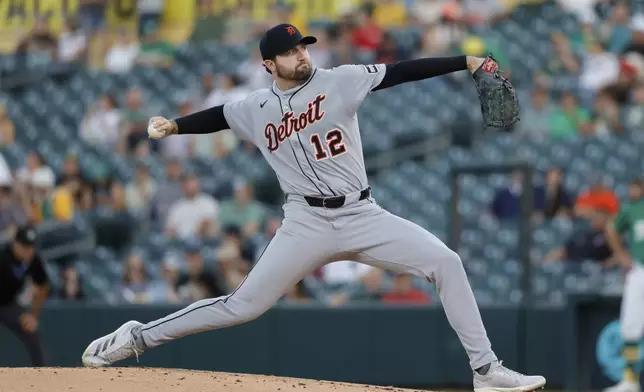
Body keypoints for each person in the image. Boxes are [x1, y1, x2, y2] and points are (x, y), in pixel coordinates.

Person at [81, 24, 546, 392]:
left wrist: (465, 60)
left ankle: (485, 370)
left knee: (446, 262)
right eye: (289, 51)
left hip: (363, 215)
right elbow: (218, 116)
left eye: (303, 47)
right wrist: (175, 126)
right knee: (242, 306)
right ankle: (136, 337)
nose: (301, 55)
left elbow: (402, 70)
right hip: (305, 221)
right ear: (269, 63)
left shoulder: (341, 80)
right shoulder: (256, 106)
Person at [604, 179, 644, 392]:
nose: (632, 190)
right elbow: (611, 228)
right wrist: (621, 255)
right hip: (640, 270)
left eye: (636, 185)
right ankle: (630, 380)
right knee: (631, 325)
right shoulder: (633, 209)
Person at [0, 225, 48, 366]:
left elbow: (43, 285)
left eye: (31, 247)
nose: (29, 251)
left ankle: (42, 375)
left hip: (8, 304)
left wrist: (33, 315)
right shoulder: (3, 257)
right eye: (25, 246)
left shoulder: (33, 260)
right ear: (15, 243)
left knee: (31, 333)